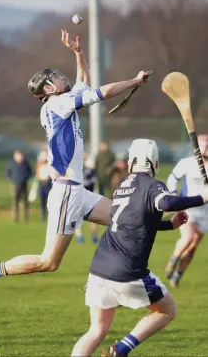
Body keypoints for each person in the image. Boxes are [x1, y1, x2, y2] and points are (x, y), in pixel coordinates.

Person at [0, 29, 151, 304]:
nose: (60, 76)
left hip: (78, 191)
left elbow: (83, 84)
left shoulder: (62, 103)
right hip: (67, 193)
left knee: (124, 221)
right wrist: (134, 81)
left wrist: (79, 53)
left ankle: (101, 276)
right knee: (49, 261)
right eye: (54, 77)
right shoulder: (58, 104)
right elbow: (99, 93)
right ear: (47, 88)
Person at [71, 139, 208, 357]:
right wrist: (202, 197)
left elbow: (135, 222)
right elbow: (168, 204)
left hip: (98, 268)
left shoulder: (122, 186)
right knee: (168, 311)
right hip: (127, 270)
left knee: (95, 331)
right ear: (154, 162)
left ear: (130, 161)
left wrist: (169, 225)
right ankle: (121, 350)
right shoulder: (153, 186)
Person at [165, 134, 208, 288]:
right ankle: (173, 260)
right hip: (188, 208)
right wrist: (173, 194)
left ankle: (177, 275)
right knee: (188, 238)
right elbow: (172, 178)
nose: (206, 149)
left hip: (205, 213)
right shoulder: (187, 163)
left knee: (193, 247)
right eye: (203, 145)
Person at [75, 153, 99, 244]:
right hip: (80, 197)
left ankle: (94, 236)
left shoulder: (90, 170)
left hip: (88, 197)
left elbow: (93, 183)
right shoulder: (77, 170)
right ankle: (80, 237)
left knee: (92, 219)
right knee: (78, 218)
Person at [6, 150, 33, 222]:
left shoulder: (26, 163)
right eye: (18, 155)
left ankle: (26, 217)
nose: (20, 157)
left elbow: (30, 172)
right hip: (16, 185)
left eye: (21, 155)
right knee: (16, 201)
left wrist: (26, 178)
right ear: (15, 156)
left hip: (24, 184)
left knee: (25, 201)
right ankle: (16, 217)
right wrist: (13, 179)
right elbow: (8, 173)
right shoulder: (11, 164)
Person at [29, 149, 52, 221]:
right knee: (42, 201)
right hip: (42, 184)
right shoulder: (38, 165)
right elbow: (36, 175)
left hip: (49, 184)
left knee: (50, 202)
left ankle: (50, 217)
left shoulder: (51, 164)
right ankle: (43, 217)